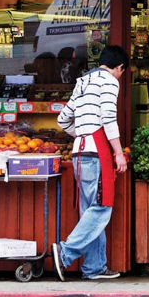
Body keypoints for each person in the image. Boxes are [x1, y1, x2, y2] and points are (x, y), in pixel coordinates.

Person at [53, 44, 128, 281]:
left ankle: (94, 267)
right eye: (122, 72)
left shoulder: (83, 81)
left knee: (89, 211)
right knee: (101, 208)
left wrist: (80, 134)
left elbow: (63, 119)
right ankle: (66, 252)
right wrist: (118, 152)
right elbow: (108, 116)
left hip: (79, 153)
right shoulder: (109, 81)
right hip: (97, 152)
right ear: (119, 67)